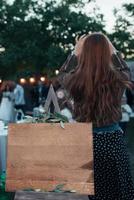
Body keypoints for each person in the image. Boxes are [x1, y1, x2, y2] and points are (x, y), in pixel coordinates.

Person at [59, 33, 134, 199]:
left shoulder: (75, 80)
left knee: (95, 193)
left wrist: (75, 51)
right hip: (113, 142)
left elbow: (63, 74)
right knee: (118, 191)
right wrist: (110, 46)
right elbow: (125, 69)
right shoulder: (117, 78)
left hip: (87, 143)